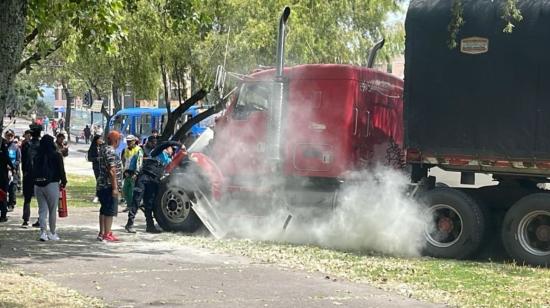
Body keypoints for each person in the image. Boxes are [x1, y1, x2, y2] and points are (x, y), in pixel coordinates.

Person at [125, 141, 180, 234]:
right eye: (171, 149)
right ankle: (129, 223)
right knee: (136, 200)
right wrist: (179, 145)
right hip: (144, 177)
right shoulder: (157, 152)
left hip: (154, 180)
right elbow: (164, 143)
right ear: (167, 148)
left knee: (149, 203)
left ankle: (150, 225)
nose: (172, 151)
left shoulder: (168, 159)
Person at [33, 135, 67, 241]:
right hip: (52, 184)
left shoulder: (37, 155)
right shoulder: (57, 155)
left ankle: (43, 232)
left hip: (38, 185)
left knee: (42, 210)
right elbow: (61, 170)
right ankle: (52, 232)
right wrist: (64, 182)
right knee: (52, 210)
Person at [97, 130, 123, 242]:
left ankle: (102, 232)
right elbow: (112, 170)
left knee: (103, 209)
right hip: (108, 185)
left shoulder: (103, 149)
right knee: (109, 210)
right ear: (115, 140)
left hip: (102, 184)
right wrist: (115, 188)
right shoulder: (110, 151)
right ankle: (107, 233)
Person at [21, 124, 42, 228]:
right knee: (41, 198)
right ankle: (40, 219)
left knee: (27, 198)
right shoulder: (42, 145)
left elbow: (23, 161)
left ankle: (26, 220)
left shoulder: (26, 144)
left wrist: (24, 172)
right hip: (39, 174)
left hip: (28, 174)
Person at [121, 135, 143, 211]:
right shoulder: (126, 149)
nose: (128, 143)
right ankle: (129, 205)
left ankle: (133, 206)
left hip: (134, 173)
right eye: (127, 141)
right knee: (125, 190)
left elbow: (139, 162)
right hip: (127, 173)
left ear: (134, 141)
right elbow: (125, 160)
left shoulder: (138, 150)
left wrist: (136, 173)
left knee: (132, 191)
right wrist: (124, 170)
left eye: (130, 141)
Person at [5, 130, 21, 212]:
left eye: (11, 135)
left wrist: (12, 167)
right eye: (8, 135)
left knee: (12, 188)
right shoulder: (3, 146)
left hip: (13, 170)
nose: (9, 137)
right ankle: (4, 204)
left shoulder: (16, 147)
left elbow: (18, 160)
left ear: (13, 136)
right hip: (4, 171)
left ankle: (11, 204)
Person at [0, 138, 15, 223]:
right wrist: (12, 168)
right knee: (3, 195)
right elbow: (7, 159)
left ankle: (3, 215)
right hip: (2, 175)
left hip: (2, 174)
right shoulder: (3, 145)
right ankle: (3, 215)